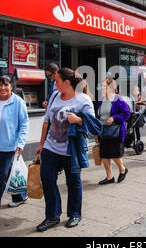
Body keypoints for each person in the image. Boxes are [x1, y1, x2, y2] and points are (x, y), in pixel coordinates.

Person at [35, 68, 100, 231]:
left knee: (73, 183)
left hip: (72, 149)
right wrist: (42, 144)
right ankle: (52, 216)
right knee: (47, 180)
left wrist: (78, 120)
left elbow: (94, 128)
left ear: (67, 82)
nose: (54, 83)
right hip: (51, 147)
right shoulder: (55, 96)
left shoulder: (83, 99)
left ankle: (75, 214)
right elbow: (46, 121)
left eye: (56, 81)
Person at [0, 74, 29, 223]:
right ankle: (20, 196)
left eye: (6, 85)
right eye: (0, 84)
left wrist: (20, 144)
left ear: (11, 86)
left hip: (9, 146)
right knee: (7, 172)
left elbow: (24, 124)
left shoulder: (17, 102)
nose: (2, 88)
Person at [96, 77, 131, 185]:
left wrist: (114, 118)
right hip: (103, 131)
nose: (101, 88)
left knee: (115, 154)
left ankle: (122, 169)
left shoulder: (118, 99)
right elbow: (98, 116)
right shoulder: (101, 99)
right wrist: (97, 133)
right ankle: (109, 177)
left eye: (103, 86)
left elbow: (126, 113)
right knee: (105, 154)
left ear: (111, 87)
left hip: (115, 131)